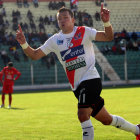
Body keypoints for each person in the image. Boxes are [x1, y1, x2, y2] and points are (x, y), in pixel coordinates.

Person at [16, 5, 140, 140]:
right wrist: (24, 44)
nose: (63, 21)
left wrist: (106, 22)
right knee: (106, 119)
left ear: (73, 19)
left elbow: (107, 36)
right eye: (59, 19)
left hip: (91, 80)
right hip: (77, 87)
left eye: (65, 17)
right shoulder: (54, 40)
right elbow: (34, 55)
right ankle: (137, 130)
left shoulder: (83, 31)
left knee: (82, 114)